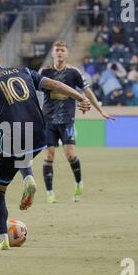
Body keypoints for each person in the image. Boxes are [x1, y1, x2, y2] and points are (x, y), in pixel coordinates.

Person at [0, 47, 91, 250]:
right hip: (40, 133)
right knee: (22, 153)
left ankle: (2, 239)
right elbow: (56, 84)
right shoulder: (24, 71)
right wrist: (80, 97)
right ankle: (28, 178)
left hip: (13, 135)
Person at [39, 41, 115, 204]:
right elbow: (32, 92)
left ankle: (79, 183)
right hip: (48, 121)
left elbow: (87, 92)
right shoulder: (44, 72)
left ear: (67, 54)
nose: (59, 53)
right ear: (53, 53)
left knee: (70, 154)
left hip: (67, 121)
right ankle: (50, 192)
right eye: (57, 50)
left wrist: (101, 110)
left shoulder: (74, 73)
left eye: (62, 50)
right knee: (49, 155)